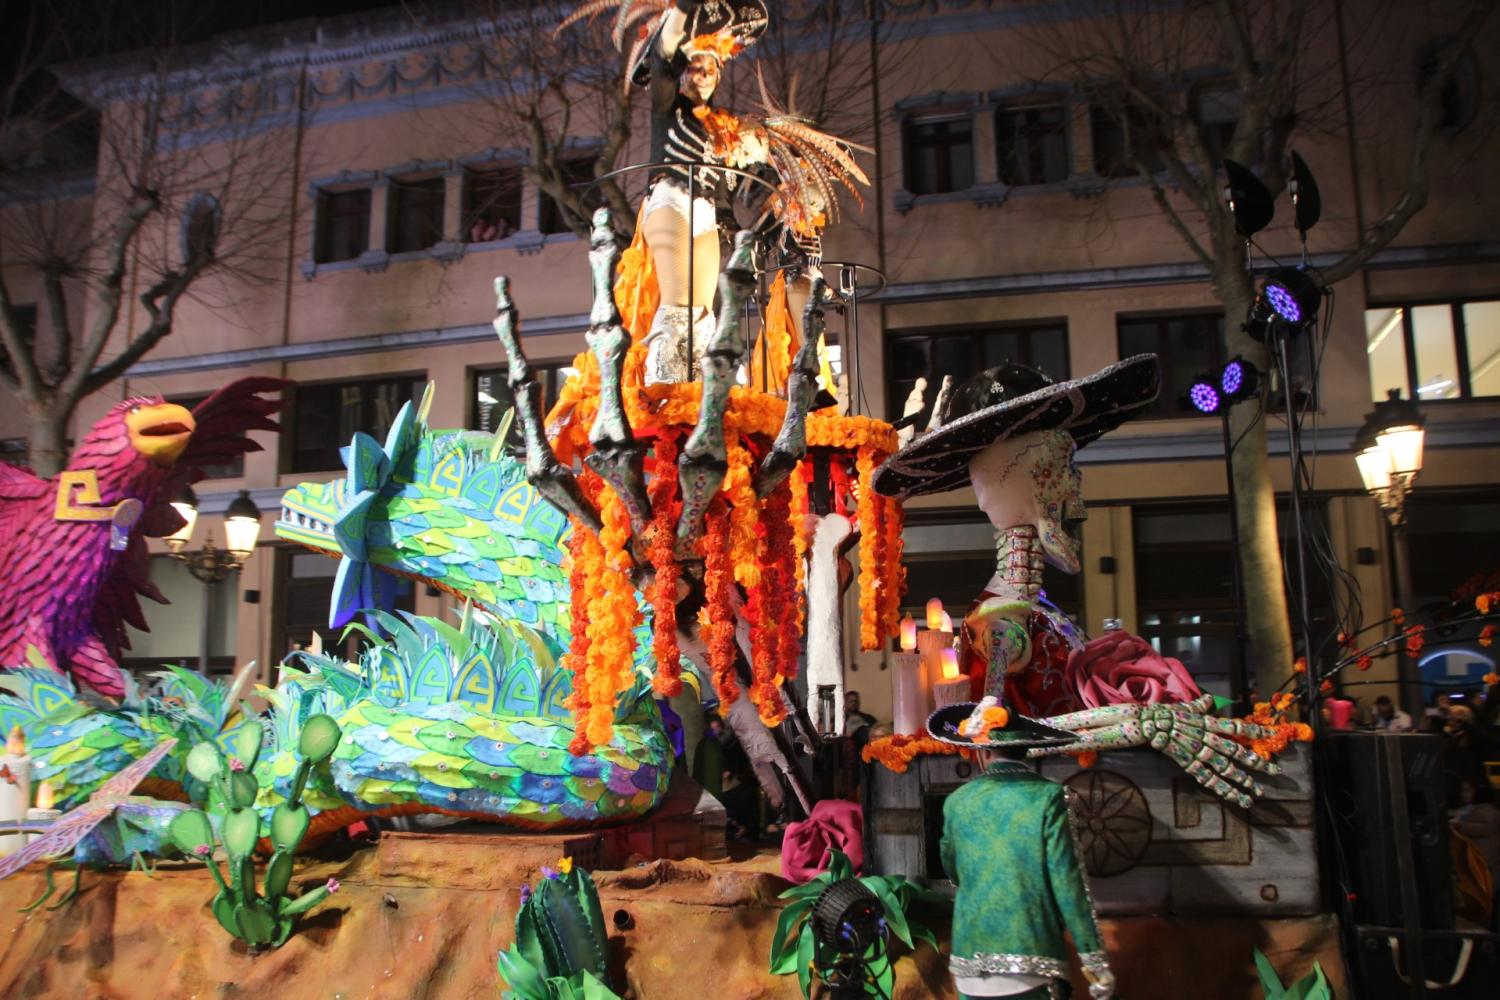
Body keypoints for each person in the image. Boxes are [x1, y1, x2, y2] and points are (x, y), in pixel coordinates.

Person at [934, 721, 1114, 999]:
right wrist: (1094, 960)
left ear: (983, 751)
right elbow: (1068, 882)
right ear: (1028, 750)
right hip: (1033, 958)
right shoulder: (1049, 797)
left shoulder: (957, 801)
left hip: (969, 962)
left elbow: (952, 869)